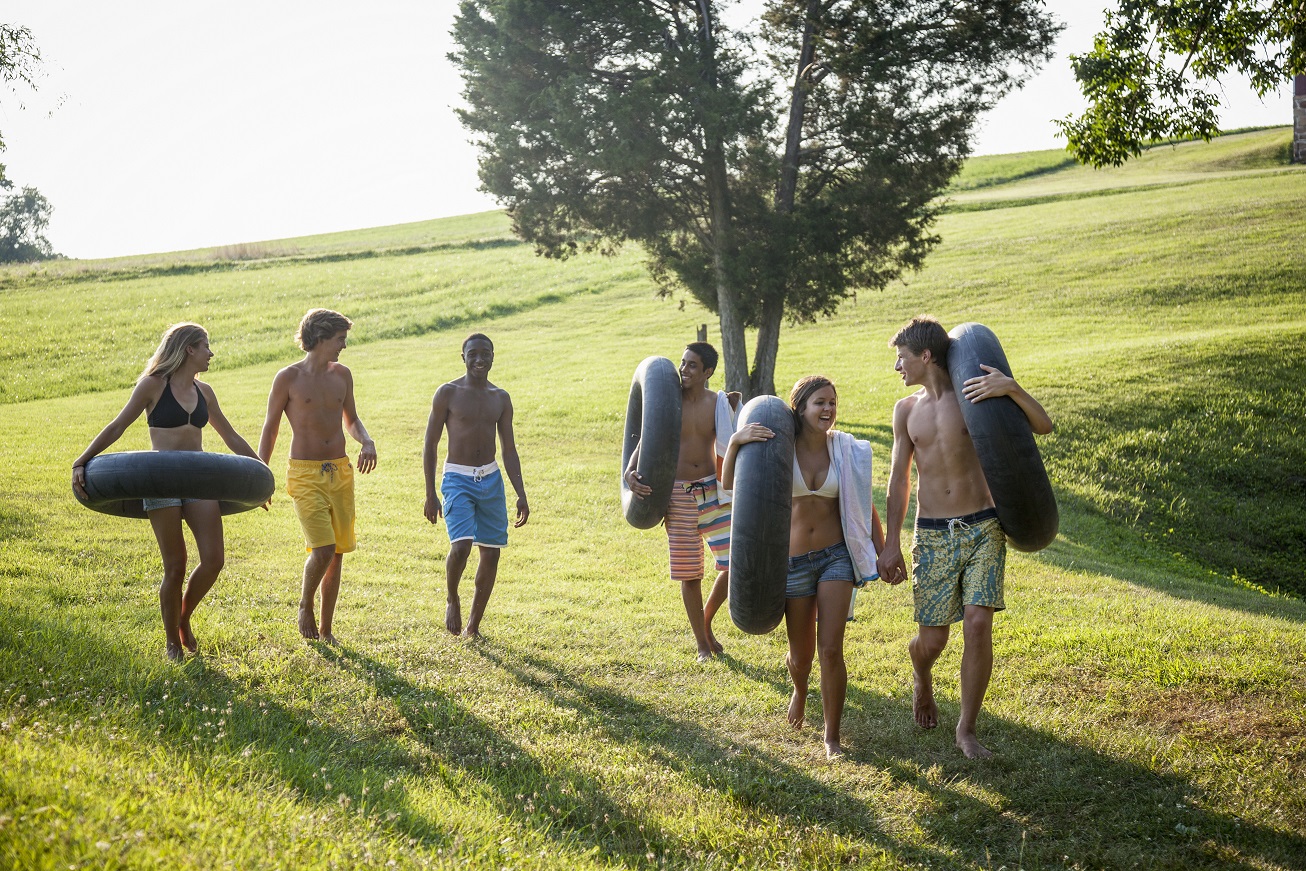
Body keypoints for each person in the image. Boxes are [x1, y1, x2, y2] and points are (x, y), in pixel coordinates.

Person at [878, 316, 1053, 759]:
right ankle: (922, 677)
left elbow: (1043, 426)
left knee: (978, 623)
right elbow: (899, 480)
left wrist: (1011, 389)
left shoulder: (975, 396)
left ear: (926, 356)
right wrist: (891, 542)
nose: (897, 367)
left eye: (901, 358)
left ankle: (967, 730)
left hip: (982, 526)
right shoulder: (906, 411)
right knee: (932, 642)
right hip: (933, 534)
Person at [71, 323, 263, 661]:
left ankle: (183, 618)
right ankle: (172, 644)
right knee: (175, 566)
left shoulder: (205, 392)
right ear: (189, 349)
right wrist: (82, 461)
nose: (211, 353)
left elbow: (230, 436)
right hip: (161, 482)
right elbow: (118, 425)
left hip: (200, 481)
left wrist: (260, 474)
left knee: (214, 560)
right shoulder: (153, 386)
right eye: (206, 346)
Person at [722, 376, 886, 758]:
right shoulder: (778, 448)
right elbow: (731, 485)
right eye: (819, 403)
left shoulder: (842, 449)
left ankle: (832, 737)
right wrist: (734, 442)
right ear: (799, 407)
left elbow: (864, 504)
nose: (827, 410)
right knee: (801, 655)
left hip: (835, 557)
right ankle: (799, 688)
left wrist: (883, 551)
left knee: (831, 649)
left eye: (832, 402)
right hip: (792, 562)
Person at [258, 309, 377, 646]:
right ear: (321, 338)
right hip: (305, 473)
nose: (343, 346)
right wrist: (260, 471)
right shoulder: (288, 378)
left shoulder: (343, 375)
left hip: (339, 470)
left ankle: (326, 630)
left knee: (336, 551)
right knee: (323, 547)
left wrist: (366, 440)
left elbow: (351, 419)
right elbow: (271, 428)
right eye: (340, 339)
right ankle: (304, 604)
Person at [624, 342, 737, 662]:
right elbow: (647, 439)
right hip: (678, 495)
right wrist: (630, 472)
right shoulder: (669, 402)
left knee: (734, 563)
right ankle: (702, 645)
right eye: (682, 363)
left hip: (715, 494)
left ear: (708, 372)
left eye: (691, 366)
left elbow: (732, 441)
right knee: (691, 575)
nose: (683, 370)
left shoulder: (718, 404)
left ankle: (704, 621)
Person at [423, 333, 529, 638]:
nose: (480, 359)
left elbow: (509, 449)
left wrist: (521, 494)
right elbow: (430, 444)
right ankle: (452, 598)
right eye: (473, 354)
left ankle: (473, 626)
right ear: (463, 357)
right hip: (457, 477)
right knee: (461, 546)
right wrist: (430, 494)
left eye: (486, 354)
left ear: (493, 356)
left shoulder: (501, 398)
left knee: (492, 553)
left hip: (491, 478)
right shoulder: (447, 393)